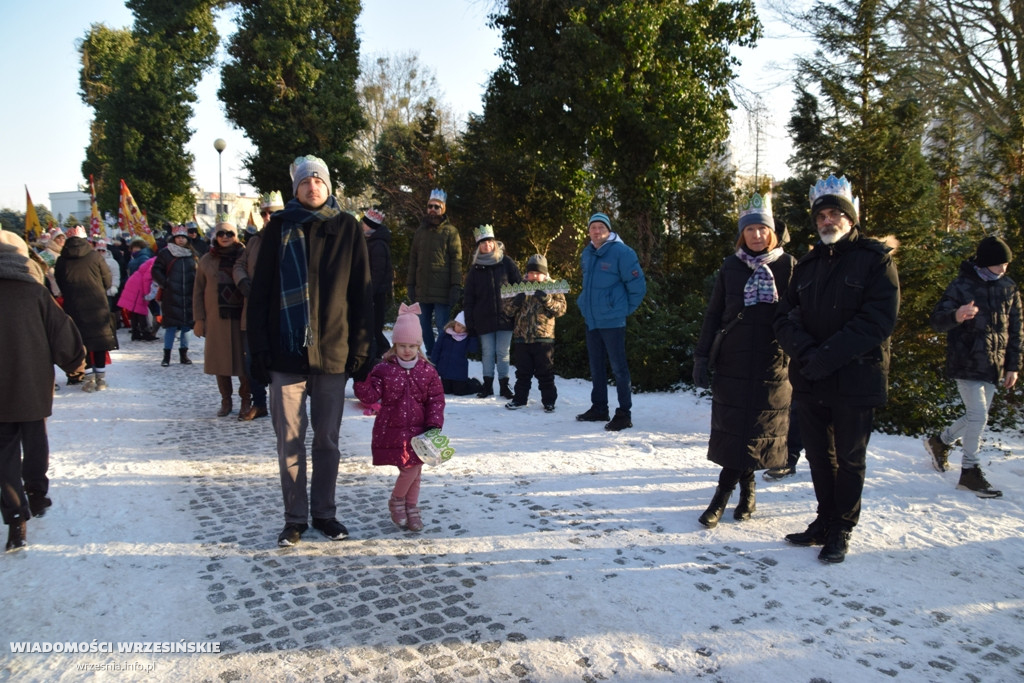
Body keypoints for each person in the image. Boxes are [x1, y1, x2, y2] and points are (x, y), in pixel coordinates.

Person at [247, 154, 373, 547]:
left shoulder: (347, 228)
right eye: (305, 181)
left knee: (327, 441)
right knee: (289, 440)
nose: (313, 186)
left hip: (333, 353)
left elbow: (363, 293)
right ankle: (294, 518)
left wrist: (361, 347)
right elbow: (261, 292)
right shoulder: (279, 228)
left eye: (319, 180)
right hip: (285, 355)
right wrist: (260, 352)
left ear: (329, 186)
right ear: (295, 188)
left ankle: (325, 513)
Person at [774, 174, 900, 564]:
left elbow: (877, 321)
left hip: (855, 378)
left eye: (835, 215)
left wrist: (825, 356)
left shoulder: (874, 261)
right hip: (812, 379)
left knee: (849, 457)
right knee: (817, 455)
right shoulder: (807, 265)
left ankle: (842, 527)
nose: (827, 221)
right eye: (822, 216)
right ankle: (824, 519)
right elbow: (785, 316)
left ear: (851, 218)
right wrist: (806, 353)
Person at [692, 193, 796, 527]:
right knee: (736, 429)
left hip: (772, 363)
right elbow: (713, 314)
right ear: (742, 233)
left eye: (761, 229)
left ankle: (723, 496)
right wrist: (701, 356)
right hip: (733, 361)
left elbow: (799, 315)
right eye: (749, 229)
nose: (756, 235)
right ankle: (746, 490)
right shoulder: (731, 266)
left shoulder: (788, 266)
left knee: (756, 429)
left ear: (772, 232)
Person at [1, 231, 86, 550]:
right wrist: (75, 363)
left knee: (3, 450)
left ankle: (15, 519)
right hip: (32, 380)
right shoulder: (34, 292)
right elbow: (61, 330)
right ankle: (36, 495)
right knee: (35, 437)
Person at [923, 236, 1020, 498]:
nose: (1004, 268)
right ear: (986, 263)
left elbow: (1016, 330)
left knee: (975, 416)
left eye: (1007, 264)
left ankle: (940, 441)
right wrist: (956, 315)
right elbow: (937, 320)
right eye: (999, 264)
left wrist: (1013, 366)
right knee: (979, 416)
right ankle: (970, 471)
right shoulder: (962, 285)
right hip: (965, 360)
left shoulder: (1009, 288)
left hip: (993, 365)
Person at [353, 303, 445, 532]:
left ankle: (411, 508)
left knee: (416, 470)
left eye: (412, 346)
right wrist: (361, 380)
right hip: (392, 429)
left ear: (419, 346)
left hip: (420, 431)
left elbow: (436, 399)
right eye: (402, 345)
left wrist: (434, 424)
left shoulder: (427, 371)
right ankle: (397, 500)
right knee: (410, 469)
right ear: (395, 344)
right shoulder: (384, 369)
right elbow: (372, 394)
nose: (407, 350)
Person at [575, 212, 647, 431]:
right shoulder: (587, 254)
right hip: (592, 320)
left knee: (619, 368)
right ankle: (599, 408)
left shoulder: (622, 253)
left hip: (613, 321)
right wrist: (583, 305)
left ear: (608, 230)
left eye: (600, 227)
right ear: (588, 231)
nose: (596, 231)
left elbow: (638, 286)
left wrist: (622, 310)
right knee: (596, 367)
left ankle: (624, 413)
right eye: (592, 227)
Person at [234, 192, 283, 421]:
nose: (268, 217)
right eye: (265, 213)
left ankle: (284, 403)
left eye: (272, 212)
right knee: (252, 358)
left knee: (282, 359)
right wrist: (244, 282)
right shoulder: (254, 241)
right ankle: (259, 402)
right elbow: (240, 264)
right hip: (254, 310)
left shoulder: (292, 238)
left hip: (282, 311)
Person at [193, 220, 250, 417]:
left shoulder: (245, 256)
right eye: (221, 234)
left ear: (236, 236)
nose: (225, 237)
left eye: (229, 233)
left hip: (241, 317)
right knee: (220, 362)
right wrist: (199, 319)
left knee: (244, 362)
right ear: (215, 237)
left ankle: (246, 399)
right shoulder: (207, 260)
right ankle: (226, 400)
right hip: (216, 319)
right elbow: (198, 292)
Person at [54, 225, 118, 392]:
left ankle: (88, 379)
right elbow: (107, 280)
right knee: (99, 340)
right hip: (97, 304)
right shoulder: (95, 256)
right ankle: (101, 380)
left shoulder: (62, 260)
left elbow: (60, 282)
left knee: (81, 341)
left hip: (74, 306)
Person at [462, 224, 522, 399]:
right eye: (482, 243)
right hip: (483, 318)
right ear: (478, 247)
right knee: (488, 352)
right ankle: (487, 385)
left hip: (505, 316)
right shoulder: (475, 270)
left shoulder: (506, 263)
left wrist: (516, 308)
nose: (486, 245)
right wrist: (470, 321)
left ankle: (504, 385)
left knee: (503, 352)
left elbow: (520, 286)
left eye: (489, 242)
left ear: (494, 243)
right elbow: (469, 298)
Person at [503, 254, 567, 412]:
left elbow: (561, 309)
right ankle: (519, 399)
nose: (534, 276)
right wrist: (516, 301)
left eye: (538, 273)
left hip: (544, 338)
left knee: (545, 372)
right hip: (522, 338)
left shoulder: (553, 287)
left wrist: (547, 300)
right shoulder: (520, 287)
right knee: (522, 373)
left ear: (545, 274)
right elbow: (507, 311)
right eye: (531, 273)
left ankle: (549, 401)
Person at [407, 188, 462, 354]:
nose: (433, 209)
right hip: (422, 289)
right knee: (423, 326)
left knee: (442, 326)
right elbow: (413, 260)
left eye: (436, 207)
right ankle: (432, 354)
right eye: (430, 206)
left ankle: (442, 354)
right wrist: (410, 284)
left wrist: (455, 285)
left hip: (442, 290)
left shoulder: (451, 232)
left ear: (443, 209)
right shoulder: (420, 232)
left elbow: (456, 261)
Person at [152, 225, 199, 367]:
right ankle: (166, 356)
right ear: (174, 239)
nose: (180, 240)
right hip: (171, 296)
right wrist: (165, 283)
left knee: (186, 327)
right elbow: (156, 270)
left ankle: (183, 355)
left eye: (183, 238)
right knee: (171, 327)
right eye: (178, 237)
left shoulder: (193, 254)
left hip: (188, 296)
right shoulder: (165, 253)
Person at [362, 208, 393, 359]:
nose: (362, 225)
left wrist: (369, 291)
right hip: (373, 292)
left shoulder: (377, 245)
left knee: (374, 327)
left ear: (371, 226)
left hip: (376, 293)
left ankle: (381, 352)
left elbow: (378, 272)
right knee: (372, 327)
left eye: (365, 223)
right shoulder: (371, 242)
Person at [430, 311, 482, 396]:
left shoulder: (467, 337)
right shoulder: (445, 334)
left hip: (459, 371)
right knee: (446, 390)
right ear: (454, 323)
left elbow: (473, 350)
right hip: (445, 370)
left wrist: (473, 336)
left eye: (463, 328)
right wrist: (433, 364)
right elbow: (436, 349)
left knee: (459, 392)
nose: (459, 329)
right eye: (458, 325)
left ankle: (475, 383)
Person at [117, 256, 159, 342]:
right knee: (141, 309)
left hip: (135, 282)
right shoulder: (156, 262)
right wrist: (147, 293)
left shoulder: (154, 260)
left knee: (135, 310)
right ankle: (145, 332)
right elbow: (147, 278)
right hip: (139, 285)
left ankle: (136, 332)